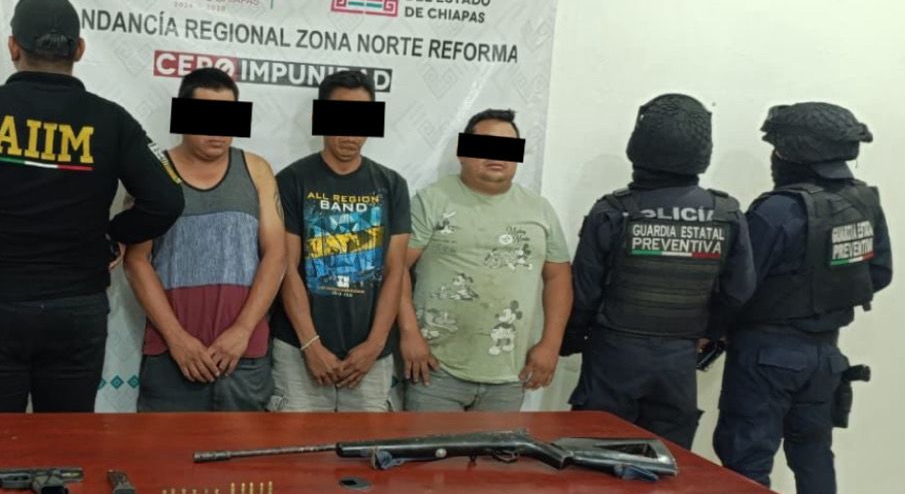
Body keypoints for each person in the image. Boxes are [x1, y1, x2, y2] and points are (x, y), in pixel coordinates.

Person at [0, 0, 184, 412]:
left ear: (13, 47)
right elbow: (166, 199)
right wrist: (113, 235)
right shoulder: (110, 120)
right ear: (79, 50)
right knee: (64, 444)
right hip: (75, 312)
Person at [703, 102, 892, 494]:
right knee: (814, 457)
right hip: (826, 355)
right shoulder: (864, 201)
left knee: (748, 456)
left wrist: (714, 329)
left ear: (790, 154)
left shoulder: (777, 210)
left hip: (767, 353)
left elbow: (738, 286)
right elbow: (879, 274)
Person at [563, 94, 755, 448]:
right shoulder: (726, 213)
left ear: (638, 145)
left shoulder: (613, 210)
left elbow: (585, 291)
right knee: (664, 465)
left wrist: (572, 340)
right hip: (679, 360)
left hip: (613, 355)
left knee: (593, 458)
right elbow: (738, 290)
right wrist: (708, 333)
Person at [125, 68, 285, 411]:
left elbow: (276, 255)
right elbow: (136, 261)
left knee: (245, 448)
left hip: (244, 356)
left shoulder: (257, 170)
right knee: (165, 448)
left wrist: (243, 329)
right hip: (171, 356)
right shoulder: (153, 171)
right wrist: (176, 338)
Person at [400, 109, 572, 410]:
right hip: (435, 370)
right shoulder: (432, 200)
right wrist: (410, 334)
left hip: (510, 374)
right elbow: (396, 268)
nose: (496, 156)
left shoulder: (540, 210)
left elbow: (559, 278)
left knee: (496, 445)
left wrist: (550, 344)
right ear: (462, 151)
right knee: (431, 444)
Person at [270, 70, 410, 411]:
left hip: (370, 358)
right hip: (299, 351)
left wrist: (375, 345)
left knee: (367, 446)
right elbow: (285, 266)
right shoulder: (291, 180)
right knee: (294, 445)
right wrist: (311, 345)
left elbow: (395, 271)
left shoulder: (392, 184)